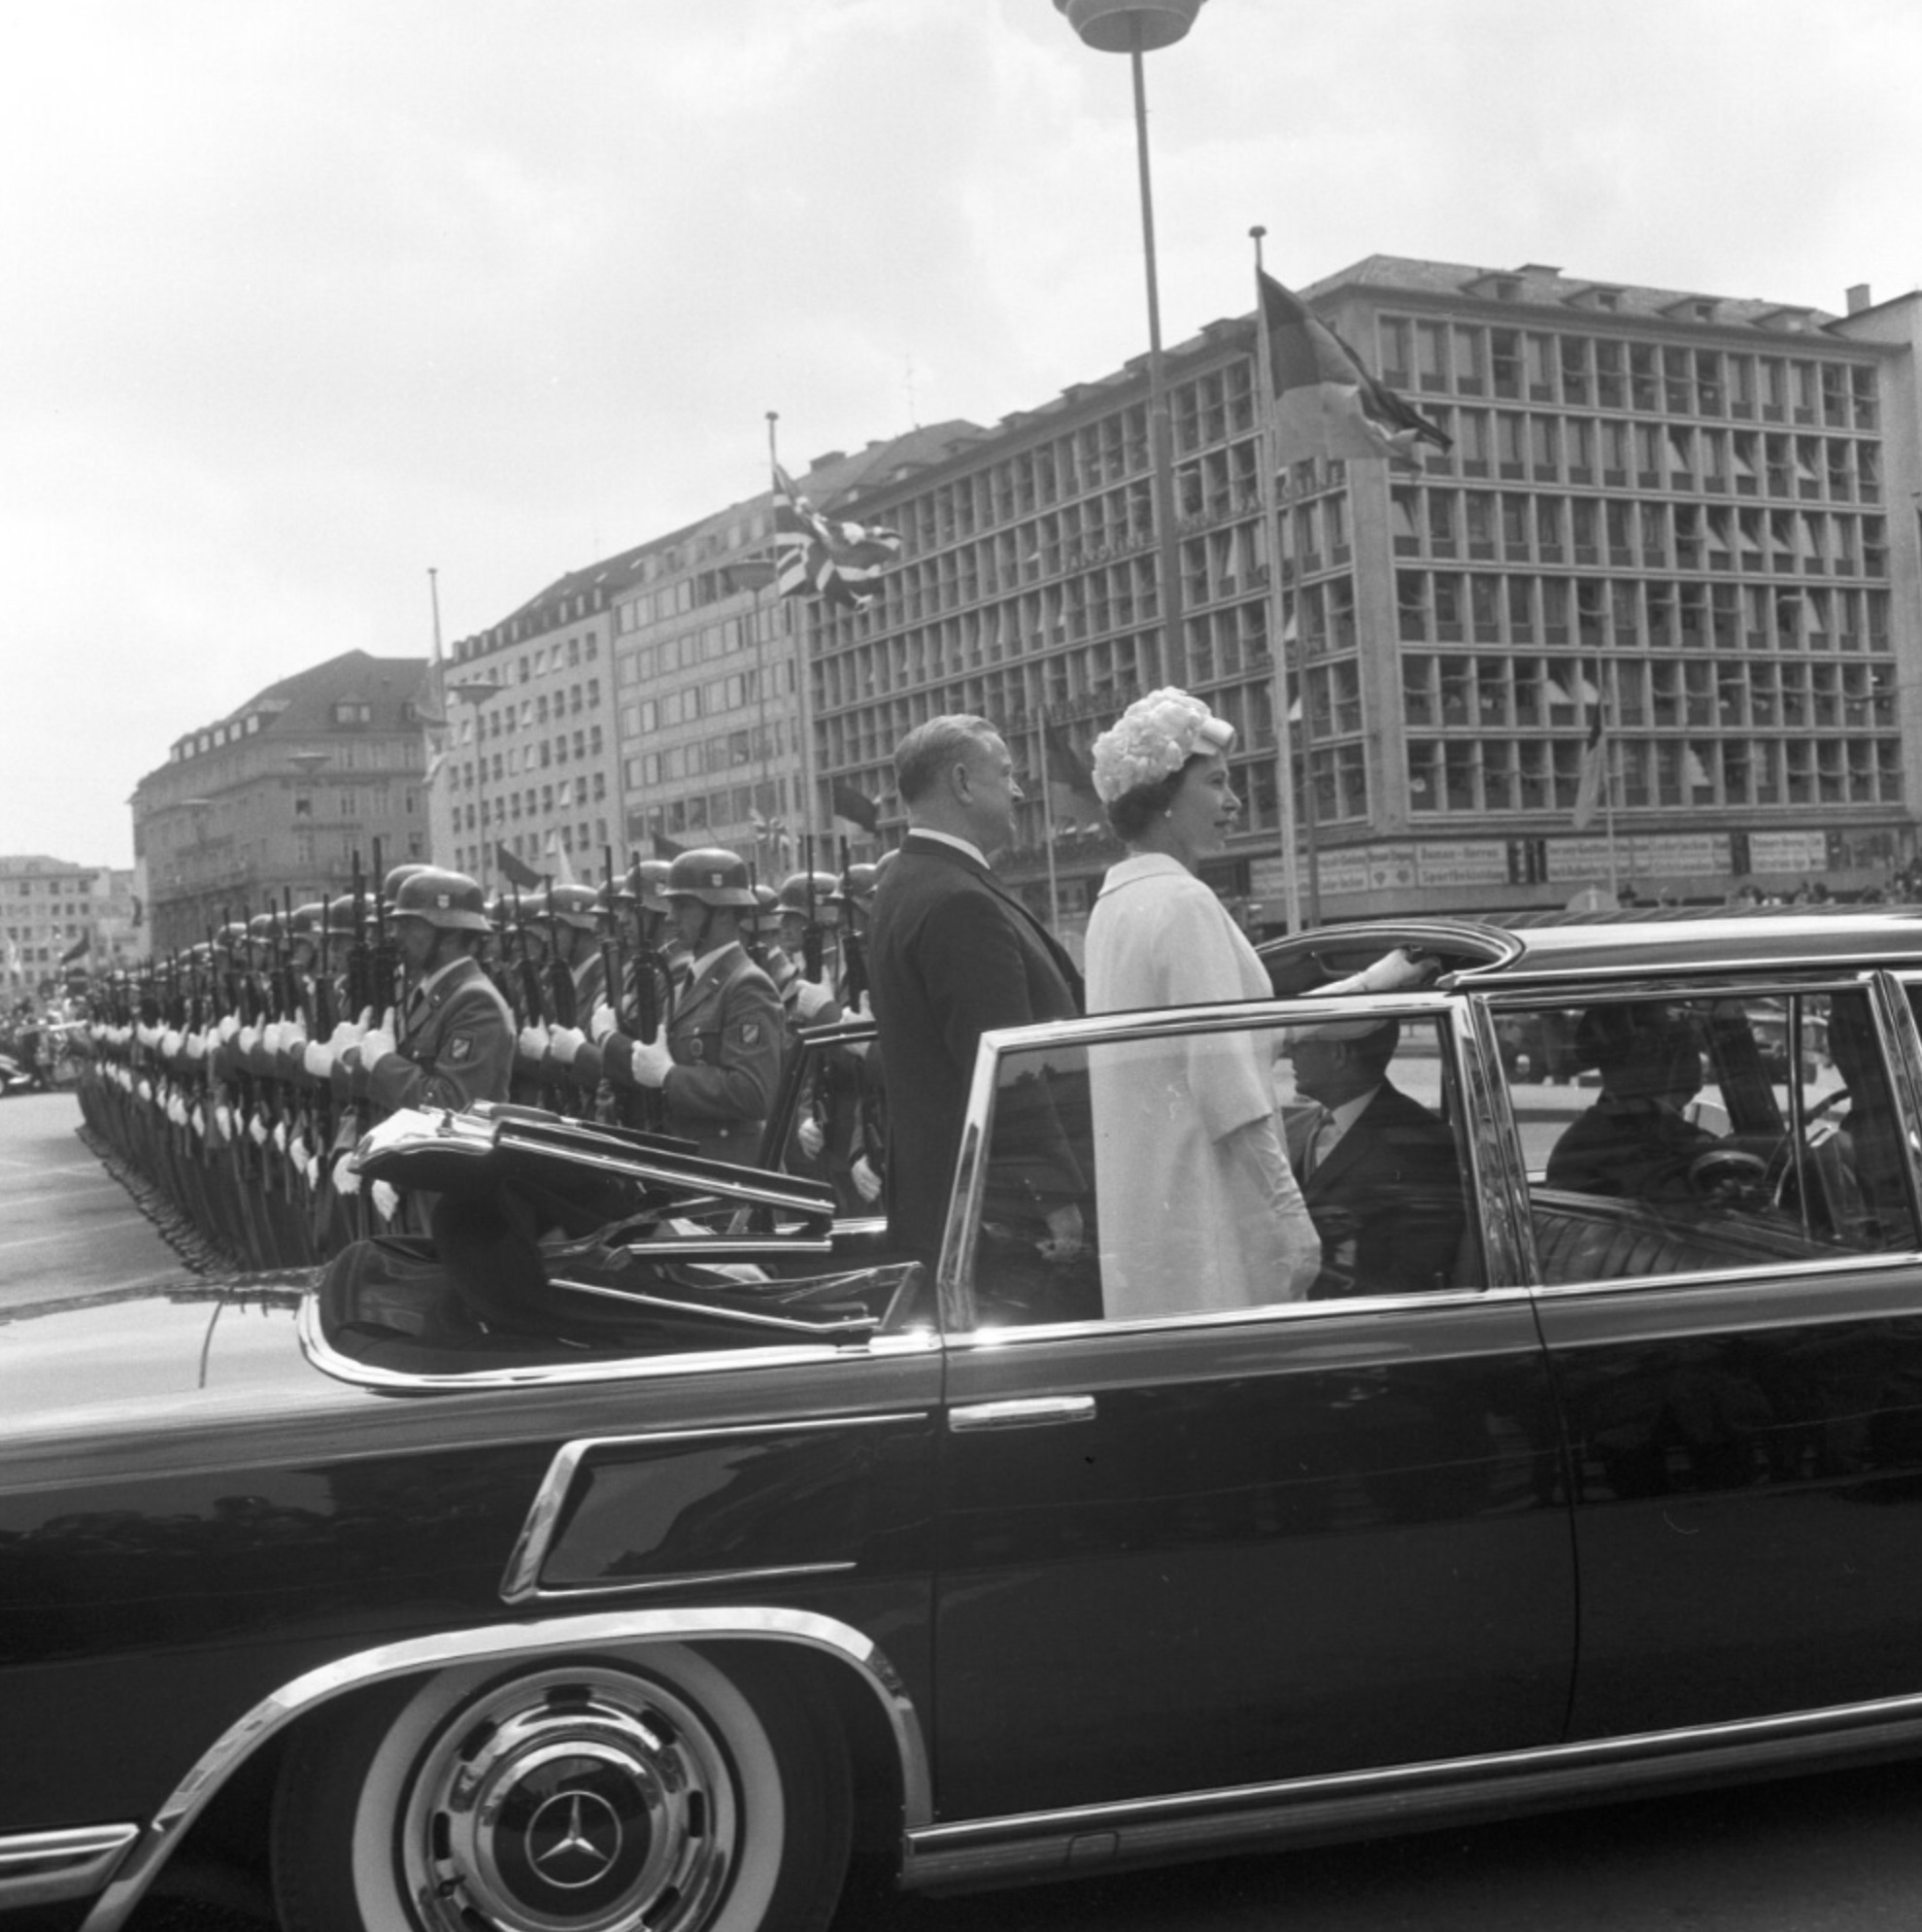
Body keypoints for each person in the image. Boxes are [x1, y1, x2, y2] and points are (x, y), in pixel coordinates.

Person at [1083, 687, 1321, 1314]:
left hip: (1147, 1227)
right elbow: (1228, 1088)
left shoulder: (1115, 905)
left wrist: (1369, 988)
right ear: (1162, 798)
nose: (1234, 801)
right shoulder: (1184, 904)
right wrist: (1290, 1216)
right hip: (1210, 1216)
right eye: (1216, 783)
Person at [867, 714, 1084, 1262]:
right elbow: (1005, 1069)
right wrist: (1053, 1194)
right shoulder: (959, 901)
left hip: (952, 1205)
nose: (1018, 790)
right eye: (1006, 772)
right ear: (962, 783)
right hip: (999, 1221)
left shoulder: (909, 880)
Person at [591, 846, 784, 1163]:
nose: (669, 918)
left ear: (722, 911)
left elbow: (753, 1091)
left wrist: (669, 1075)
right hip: (691, 1166)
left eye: (682, 906)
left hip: (730, 1174)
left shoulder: (748, 985)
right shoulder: (687, 984)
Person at [1284, 1015, 1466, 1298]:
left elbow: (1413, 1276)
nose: (1290, 1053)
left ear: (1338, 1054)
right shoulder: (1292, 1129)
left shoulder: (1424, 1145)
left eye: (1302, 1044)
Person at [337, 866, 516, 1116]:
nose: (396, 935)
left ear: (451, 934)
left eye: (410, 925)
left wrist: (381, 1062)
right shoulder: (432, 994)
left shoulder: (475, 1001)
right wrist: (354, 1057)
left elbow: (450, 1103)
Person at [1545, 1002, 1722, 1203]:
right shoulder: (1603, 1148)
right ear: (1647, 1052)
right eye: (1681, 1043)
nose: (1694, 1058)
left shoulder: (1584, 1141)